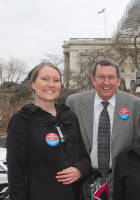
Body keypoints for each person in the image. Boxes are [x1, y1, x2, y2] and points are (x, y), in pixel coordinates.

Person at [6, 63, 91, 200]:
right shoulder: (22, 121)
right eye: (45, 79)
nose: (51, 84)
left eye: (56, 80)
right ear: (32, 84)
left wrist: (79, 170)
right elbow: (16, 175)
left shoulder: (69, 116)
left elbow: (85, 159)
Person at [66, 59, 140, 199]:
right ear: (93, 80)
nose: (106, 82)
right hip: (83, 181)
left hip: (119, 182)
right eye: (101, 77)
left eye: (111, 77)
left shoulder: (134, 104)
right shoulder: (74, 103)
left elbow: (138, 145)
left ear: (118, 80)